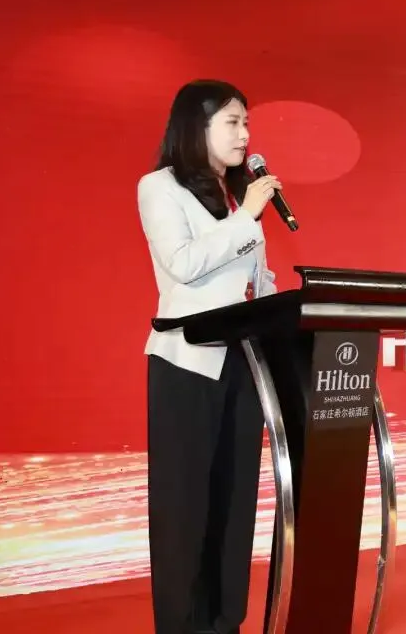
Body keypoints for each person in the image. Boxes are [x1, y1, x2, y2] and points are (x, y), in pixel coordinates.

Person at [137, 80, 282, 634]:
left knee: (233, 500)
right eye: (233, 122)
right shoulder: (160, 187)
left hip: (243, 364)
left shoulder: (235, 195)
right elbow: (183, 264)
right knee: (184, 506)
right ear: (195, 128)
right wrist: (247, 218)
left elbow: (252, 280)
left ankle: (225, 622)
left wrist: (277, 306)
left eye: (247, 123)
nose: (245, 135)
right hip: (187, 364)